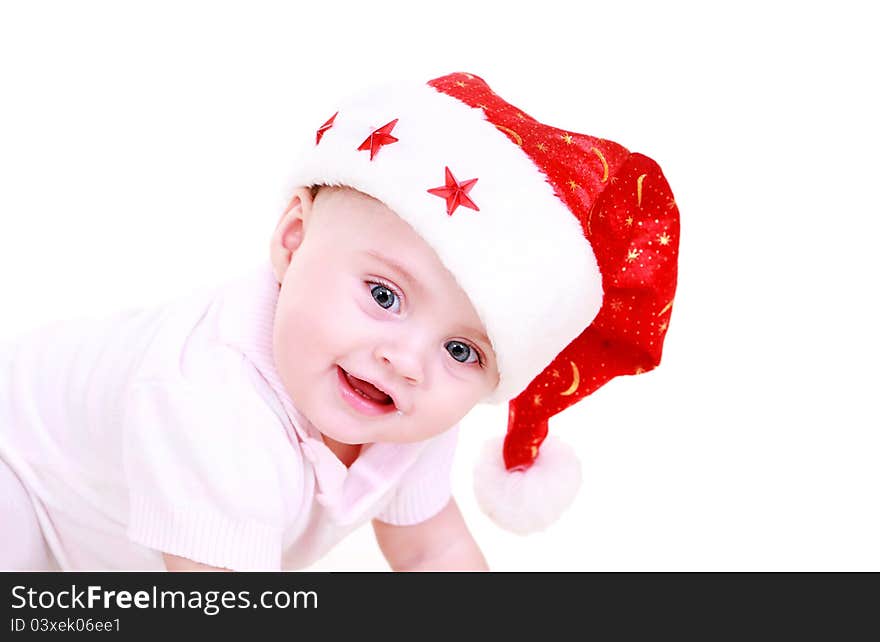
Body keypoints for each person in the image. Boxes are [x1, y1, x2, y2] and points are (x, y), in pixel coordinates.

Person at [0, 71, 680, 571]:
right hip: (24, 478)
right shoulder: (209, 395)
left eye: (462, 350)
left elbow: (428, 549)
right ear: (292, 242)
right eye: (384, 296)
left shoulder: (409, 408)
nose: (409, 359)